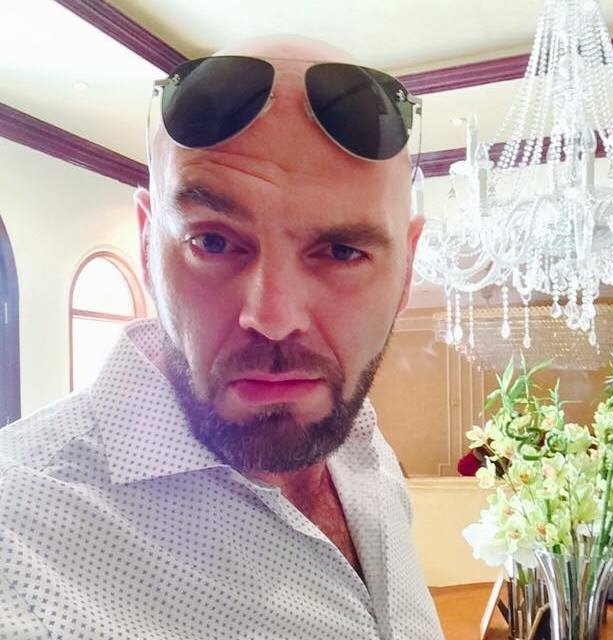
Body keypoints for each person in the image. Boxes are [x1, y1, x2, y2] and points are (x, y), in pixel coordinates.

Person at [0, 35, 443, 639]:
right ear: (147, 247)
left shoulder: (363, 446)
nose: (273, 317)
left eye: (342, 251)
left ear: (406, 270)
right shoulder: (18, 549)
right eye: (212, 242)